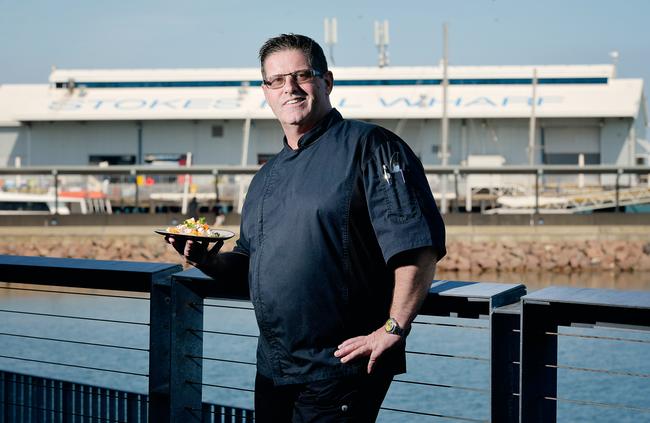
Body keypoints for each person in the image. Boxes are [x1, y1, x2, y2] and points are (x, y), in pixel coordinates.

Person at [166, 33, 446, 422]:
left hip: (343, 366)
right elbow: (249, 264)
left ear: (327, 81)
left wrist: (393, 328)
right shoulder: (266, 177)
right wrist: (204, 260)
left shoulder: (371, 146)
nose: (290, 88)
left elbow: (417, 247)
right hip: (275, 369)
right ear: (265, 91)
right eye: (276, 80)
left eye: (301, 75)